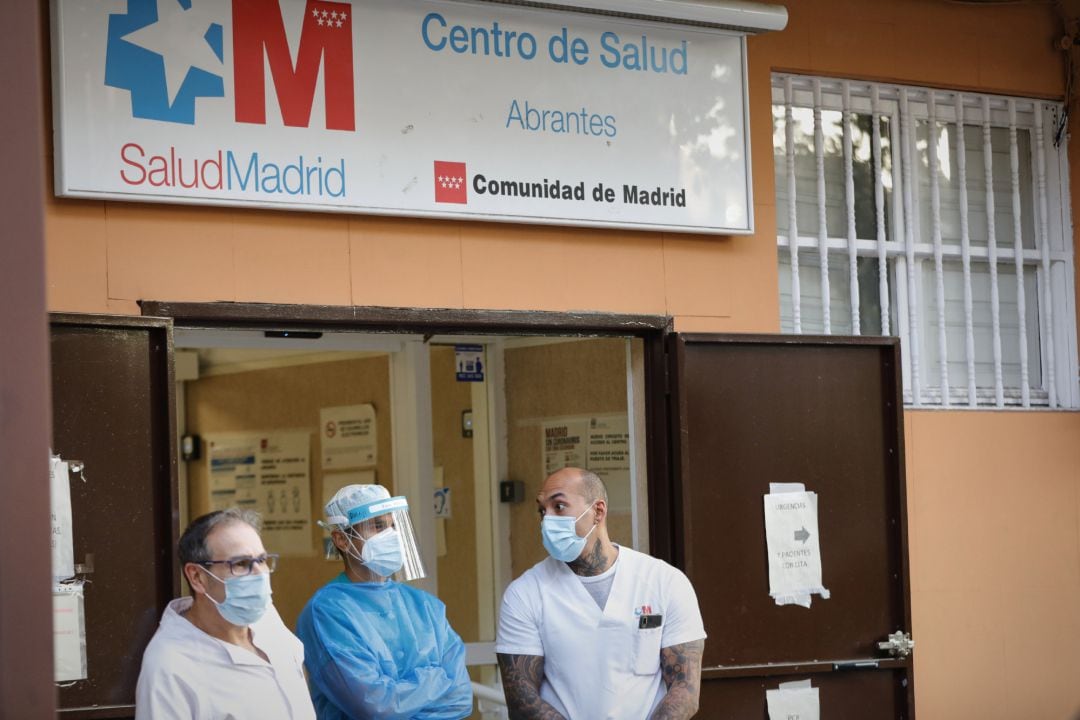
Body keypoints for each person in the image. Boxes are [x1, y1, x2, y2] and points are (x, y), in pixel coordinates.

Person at [496, 468, 706, 719]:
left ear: (598, 511)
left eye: (559, 507)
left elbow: (685, 690)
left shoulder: (664, 582)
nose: (547, 520)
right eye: (542, 510)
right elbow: (522, 702)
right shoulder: (525, 594)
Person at [297, 484, 472, 720]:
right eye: (377, 526)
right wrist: (436, 677)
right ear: (341, 539)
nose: (391, 536)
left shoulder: (426, 606)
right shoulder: (327, 613)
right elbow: (375, 708)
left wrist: (399, 696)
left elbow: (460, 700)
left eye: (393, 526)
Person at [135, 508, 316, 720]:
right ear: (197, 577)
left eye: (262, 560)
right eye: (241, 564)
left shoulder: (265, 616)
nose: (260, 574)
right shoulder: (170, 667)